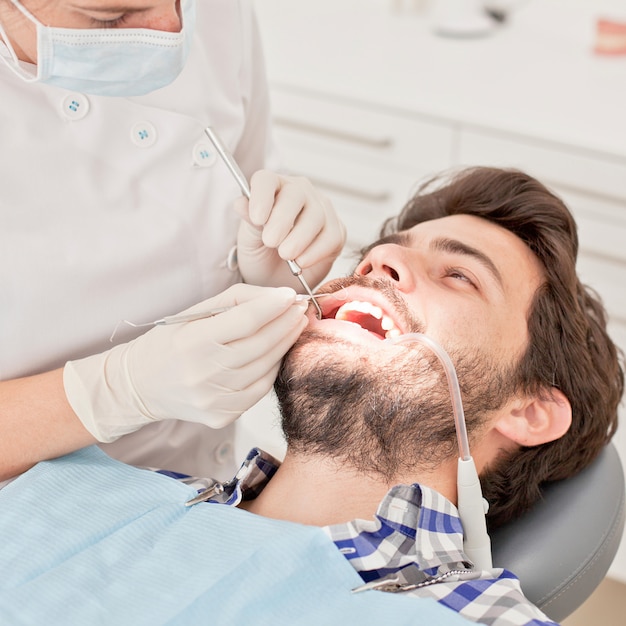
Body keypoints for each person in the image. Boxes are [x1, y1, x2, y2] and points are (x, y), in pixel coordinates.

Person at [1, 167, 621, 625]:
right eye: (381, 255)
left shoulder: (480, 618)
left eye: (459, 275)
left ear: (528, 410)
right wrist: (117, 387)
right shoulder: (93, 482)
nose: (378, 263)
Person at [0, 0, 346, 484]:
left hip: (199, 489)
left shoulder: (218, 14)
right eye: (110, 17)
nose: (170, 30)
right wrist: (114, 392)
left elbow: (248, 170)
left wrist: (272, 259)